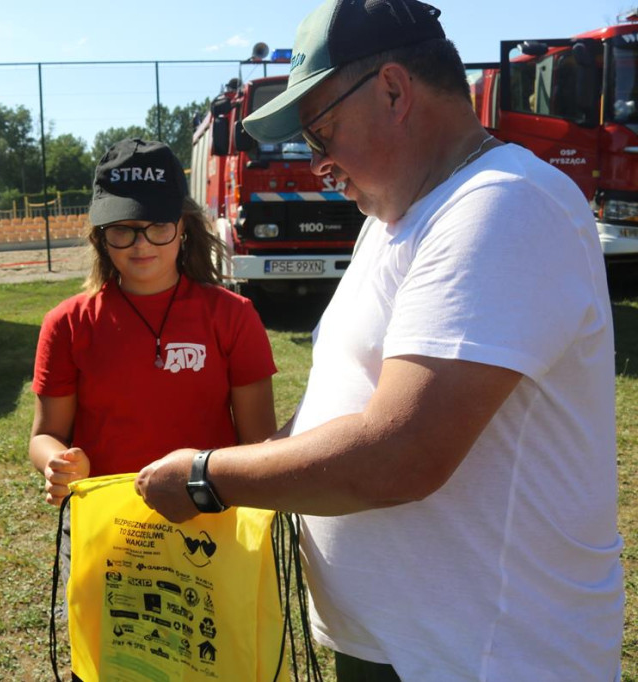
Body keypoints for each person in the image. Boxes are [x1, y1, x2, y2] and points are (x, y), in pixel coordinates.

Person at [134, 2, 625, 681]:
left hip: (489, 658)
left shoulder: (503, 204)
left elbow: (403, 453)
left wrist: (208, 477)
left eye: (321, 132)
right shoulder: (398, 216)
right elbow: (350, 406)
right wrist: (270, 454)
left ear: (394, 90)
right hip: (403, 649)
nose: (316, 166)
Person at [30, 138, 278, 503]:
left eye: (157, 226)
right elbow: (45, 435)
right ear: (100, 236)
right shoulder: (67, 323)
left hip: (209, 520)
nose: (140, 244)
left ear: (183, 228)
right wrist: (58, 463)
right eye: (122, 228)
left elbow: (258, 444)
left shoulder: (233, 315)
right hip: (104, 518)